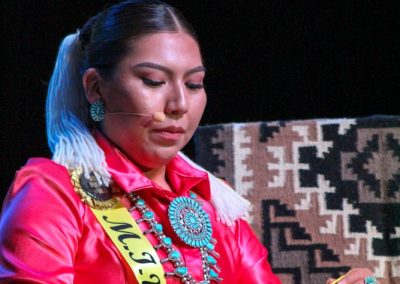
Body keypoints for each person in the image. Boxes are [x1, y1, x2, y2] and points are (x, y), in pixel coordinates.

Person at [0, 1, 376, 283]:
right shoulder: (53, 192)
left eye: (194, 84)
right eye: (152, 81)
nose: (180, 104)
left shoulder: (213, 203)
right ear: (97, 88)